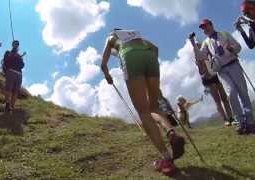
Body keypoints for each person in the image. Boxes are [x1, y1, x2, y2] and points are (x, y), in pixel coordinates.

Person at [101, 28, 185, 176]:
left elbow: (103, 64)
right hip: (150, 57)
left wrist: (108, 76)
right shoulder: (134, 35)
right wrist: (150, 70)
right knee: (154, 107)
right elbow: (155, 48)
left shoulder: (111, 38)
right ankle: (171, 133)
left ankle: (166, 159)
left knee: (144, 112)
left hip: (130, 58)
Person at [195, 18, 254, 134]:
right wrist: (193, 44)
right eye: (202, 28)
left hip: (234, 64)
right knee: (231, 92)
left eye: (205, 26)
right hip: (221, 71)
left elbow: (238, 47)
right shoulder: (206, 43)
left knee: (243, 92)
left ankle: (250, 121)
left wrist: (232, 48)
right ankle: (241, 122)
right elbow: (201, 56)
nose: (204, 29)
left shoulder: (224, 34)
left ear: (211, 25)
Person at [188, 33, 234, 126]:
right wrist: (192, 41)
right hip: (207, 79)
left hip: (215, 75)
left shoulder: (207, 52)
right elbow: (201, 71)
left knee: (224, 97)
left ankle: (231, 118)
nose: (198, 46)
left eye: (199, 44)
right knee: (217, 100)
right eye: (197, 45)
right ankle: (225, 120)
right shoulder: (198, 57)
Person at [2, 40, 25, 112]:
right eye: (15, 44)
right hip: (10, 71)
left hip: (19, 74)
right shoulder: (8, 52)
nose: (16, 45)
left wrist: (19, 57)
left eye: (17, 44)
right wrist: (13, 55)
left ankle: (12, 106)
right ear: (12, 45)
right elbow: (5, 61)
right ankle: (7, 104)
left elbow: (22, 65)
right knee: (8, 89)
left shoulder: (19, 55)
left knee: (15, 91)